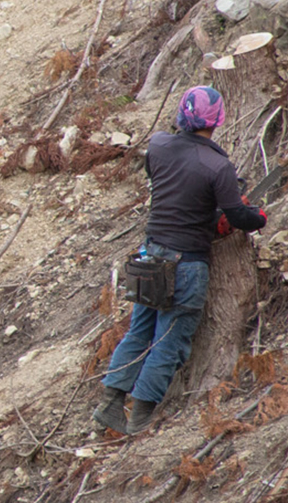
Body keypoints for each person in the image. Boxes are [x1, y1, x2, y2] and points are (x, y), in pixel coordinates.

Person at [95, 86, 268, 436]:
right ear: (217, 119)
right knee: (170, 339)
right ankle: (142, 416)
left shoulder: (158, 145)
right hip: (186, 262)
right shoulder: (218, 166)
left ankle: (110, 402)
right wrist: (258, 217)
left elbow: (171, 186)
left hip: (152, 253)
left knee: (140, 329)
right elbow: (237, 215)